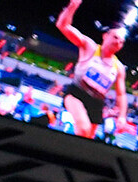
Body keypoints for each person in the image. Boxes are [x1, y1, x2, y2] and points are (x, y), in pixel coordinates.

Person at [53, 0, 129, 140]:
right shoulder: (90, 47)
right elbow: (63, 26)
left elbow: (121, 94)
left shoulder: (119, 68)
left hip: (96, 103)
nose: (118, 42)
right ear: (105, 36)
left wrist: (122, 116)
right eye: (115, 37)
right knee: (84, 129)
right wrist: (73, 5)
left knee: (87, 139)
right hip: (76, 93)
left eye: (121, 42)